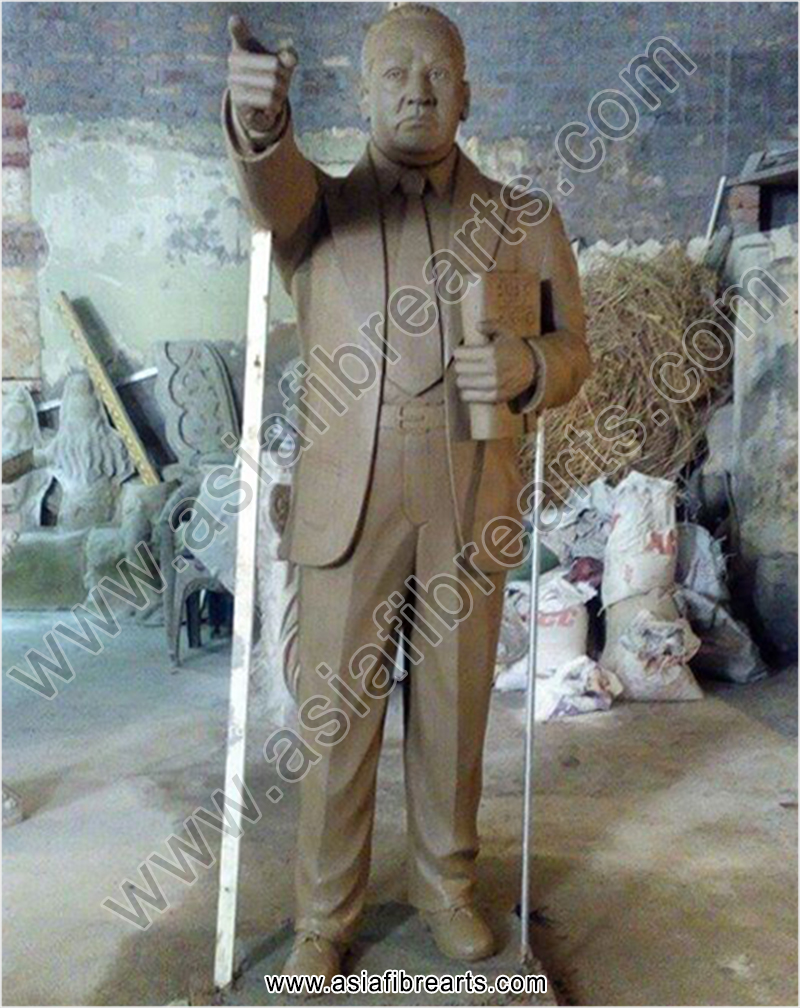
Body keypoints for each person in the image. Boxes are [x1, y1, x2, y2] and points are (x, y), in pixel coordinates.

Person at [224, 2, 589, 980]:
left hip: (469, 493)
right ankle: (322, 915)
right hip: (350, 502)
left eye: (436, 74)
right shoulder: (318, 212)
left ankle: (446, 887)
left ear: (467, 94)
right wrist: (260, 122)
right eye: (394, 73)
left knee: (454, 709)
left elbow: (573, 351)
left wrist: (527, 366)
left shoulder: (525, 222)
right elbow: (269, 183)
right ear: (361, 94)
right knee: (334, 720)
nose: (417, 90)